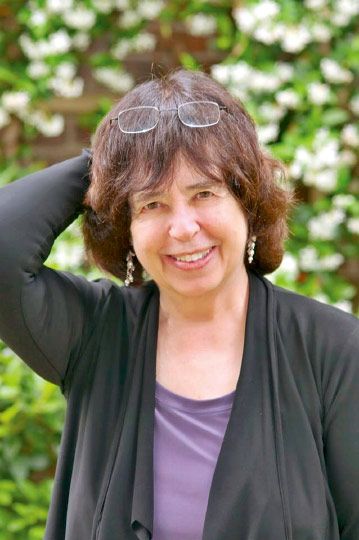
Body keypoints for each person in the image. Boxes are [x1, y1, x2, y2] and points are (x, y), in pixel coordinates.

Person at [0, 68, 358, 540]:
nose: (183, 228)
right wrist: (109, 159)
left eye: (204, 193)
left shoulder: (334, 350)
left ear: (247, 204)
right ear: (126, 226)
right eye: (151, 204)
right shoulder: (96, 333)